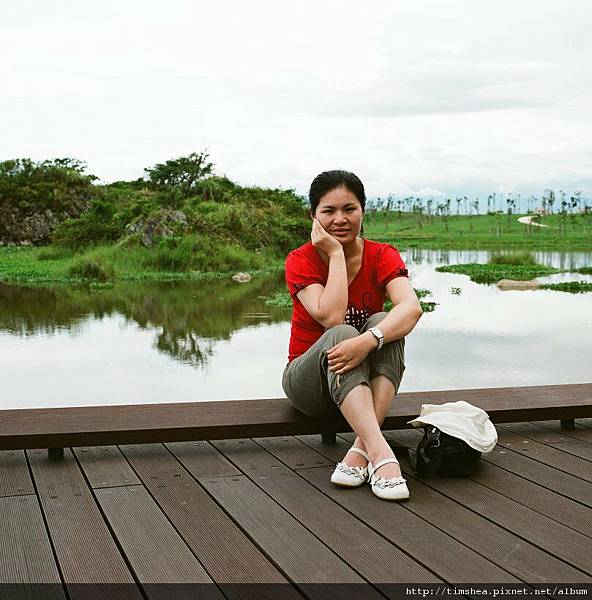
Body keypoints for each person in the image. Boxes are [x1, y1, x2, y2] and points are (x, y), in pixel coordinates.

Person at [282, 170, 423, 501]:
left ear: (363, 210)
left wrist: (370, 339)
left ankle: (360, 451)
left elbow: (412, 308)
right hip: (309, 387)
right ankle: (382, 455)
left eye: (350, 209)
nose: (340, 219)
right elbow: (331, 317)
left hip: (360, 389)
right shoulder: (300, 260)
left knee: (385, 322)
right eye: (328, 211)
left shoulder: (381, 254)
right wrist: (334, 255)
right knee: (342, 331)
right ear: (313, 216)